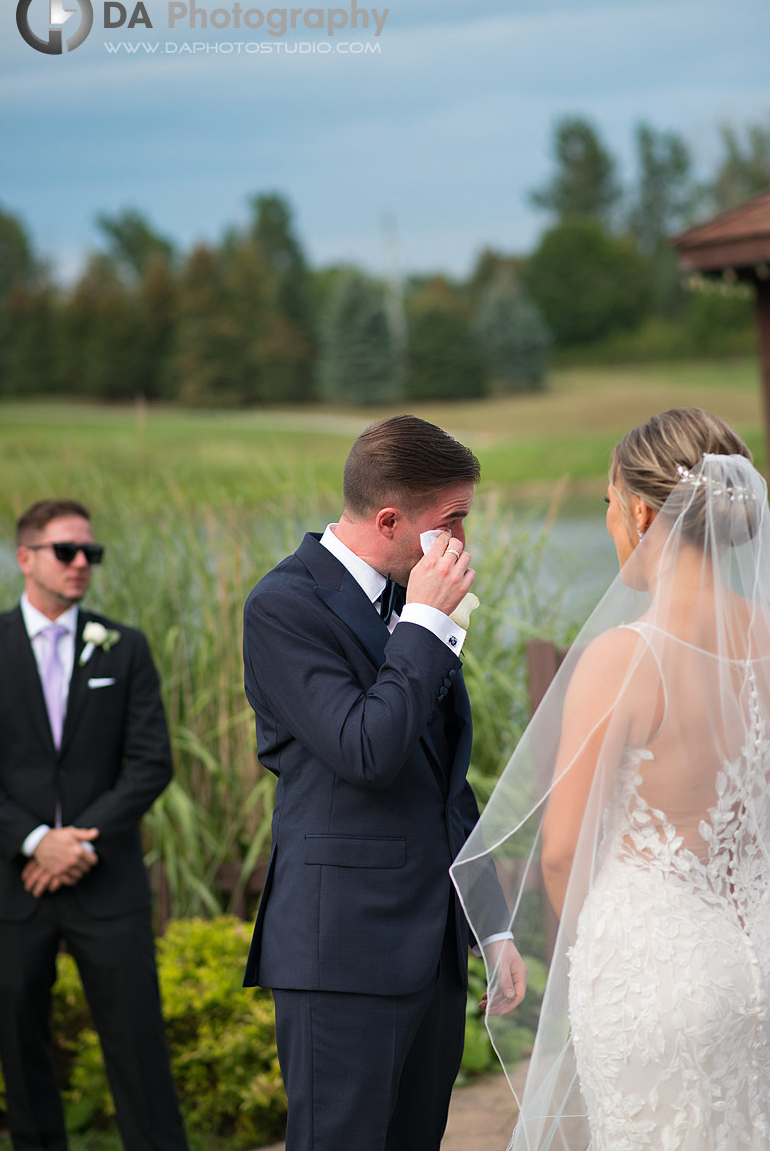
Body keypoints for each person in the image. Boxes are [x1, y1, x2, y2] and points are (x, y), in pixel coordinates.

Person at [452, 407, 770, 1150]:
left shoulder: (625, 656)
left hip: (659, 969)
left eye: (610, 505)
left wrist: (610, 951)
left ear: (643, 512)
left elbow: (559, 852)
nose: (612, 520)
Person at [242, 414, 526, 1151]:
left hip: (429, 947)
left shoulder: (411, 598)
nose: (462, 541)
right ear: (393, 519)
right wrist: (429, 623)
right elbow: (365, 749)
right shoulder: (284, 607)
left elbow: (443, 780)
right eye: (452, 521)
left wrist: (490, 923)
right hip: (342, 951)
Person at [0, 499, 189, 1151]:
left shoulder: (125, 646)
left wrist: (75, 842)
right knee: (21, 1055)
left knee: (140, 1052)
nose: (82, 563)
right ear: (25, 558)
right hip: (13, 885)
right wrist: (34, 842)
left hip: (107, 882)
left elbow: (150, 762)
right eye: (66, 551)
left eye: (92, 553)